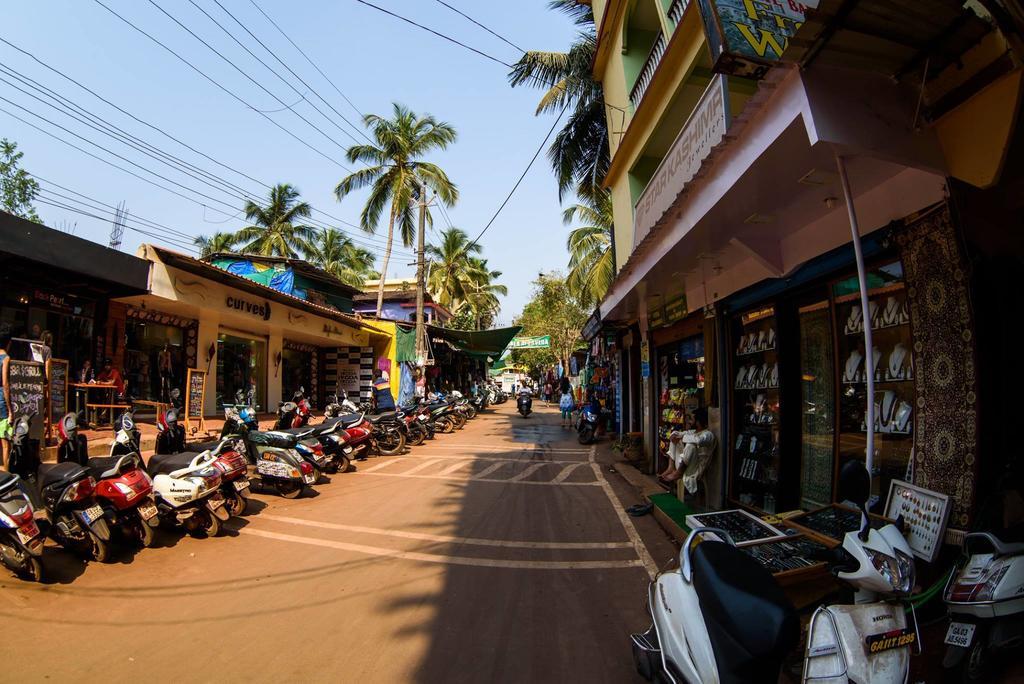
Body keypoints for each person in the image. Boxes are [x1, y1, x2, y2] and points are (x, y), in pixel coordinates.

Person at [659, 408, 716, 495]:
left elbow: (698, 440)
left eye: (692, 419)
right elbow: (678, 434)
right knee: (675, 438)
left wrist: (682, 437)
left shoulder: (708, 434)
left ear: (698, 422)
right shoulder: (693, 432)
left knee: (691, 445)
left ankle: (678, 473)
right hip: (686, 464)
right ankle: (670, 467)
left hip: (695, 469)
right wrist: (675, 436)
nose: (689, 421)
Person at [0, 332, 11, 471]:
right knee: (5, 444)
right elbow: (5, 384)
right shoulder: (6, 358)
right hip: (1, 402)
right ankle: (7, 475)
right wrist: (10, 411)